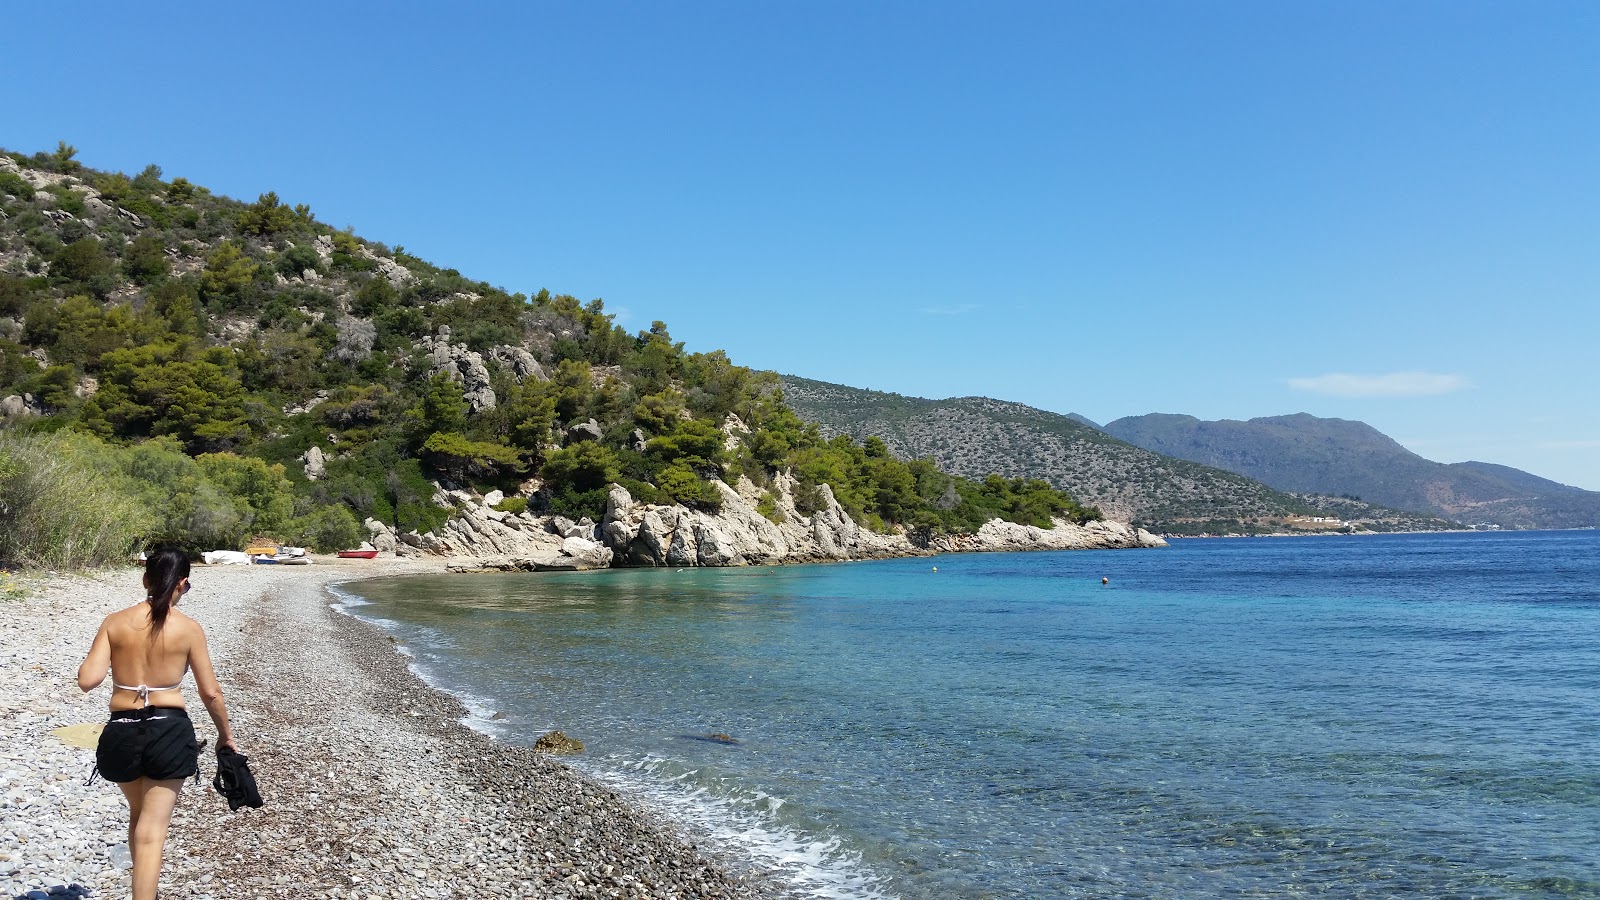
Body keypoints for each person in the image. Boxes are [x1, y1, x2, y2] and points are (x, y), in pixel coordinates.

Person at [77, 548, 238, 900]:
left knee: (139, 816)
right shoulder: (189, 629)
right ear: (183, 584)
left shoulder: (114, 622)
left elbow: (88, 680)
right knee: (152, 829)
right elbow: (210, 693)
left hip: (121, 730)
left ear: (146, 580)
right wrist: (226, 736)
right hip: (169, 729)